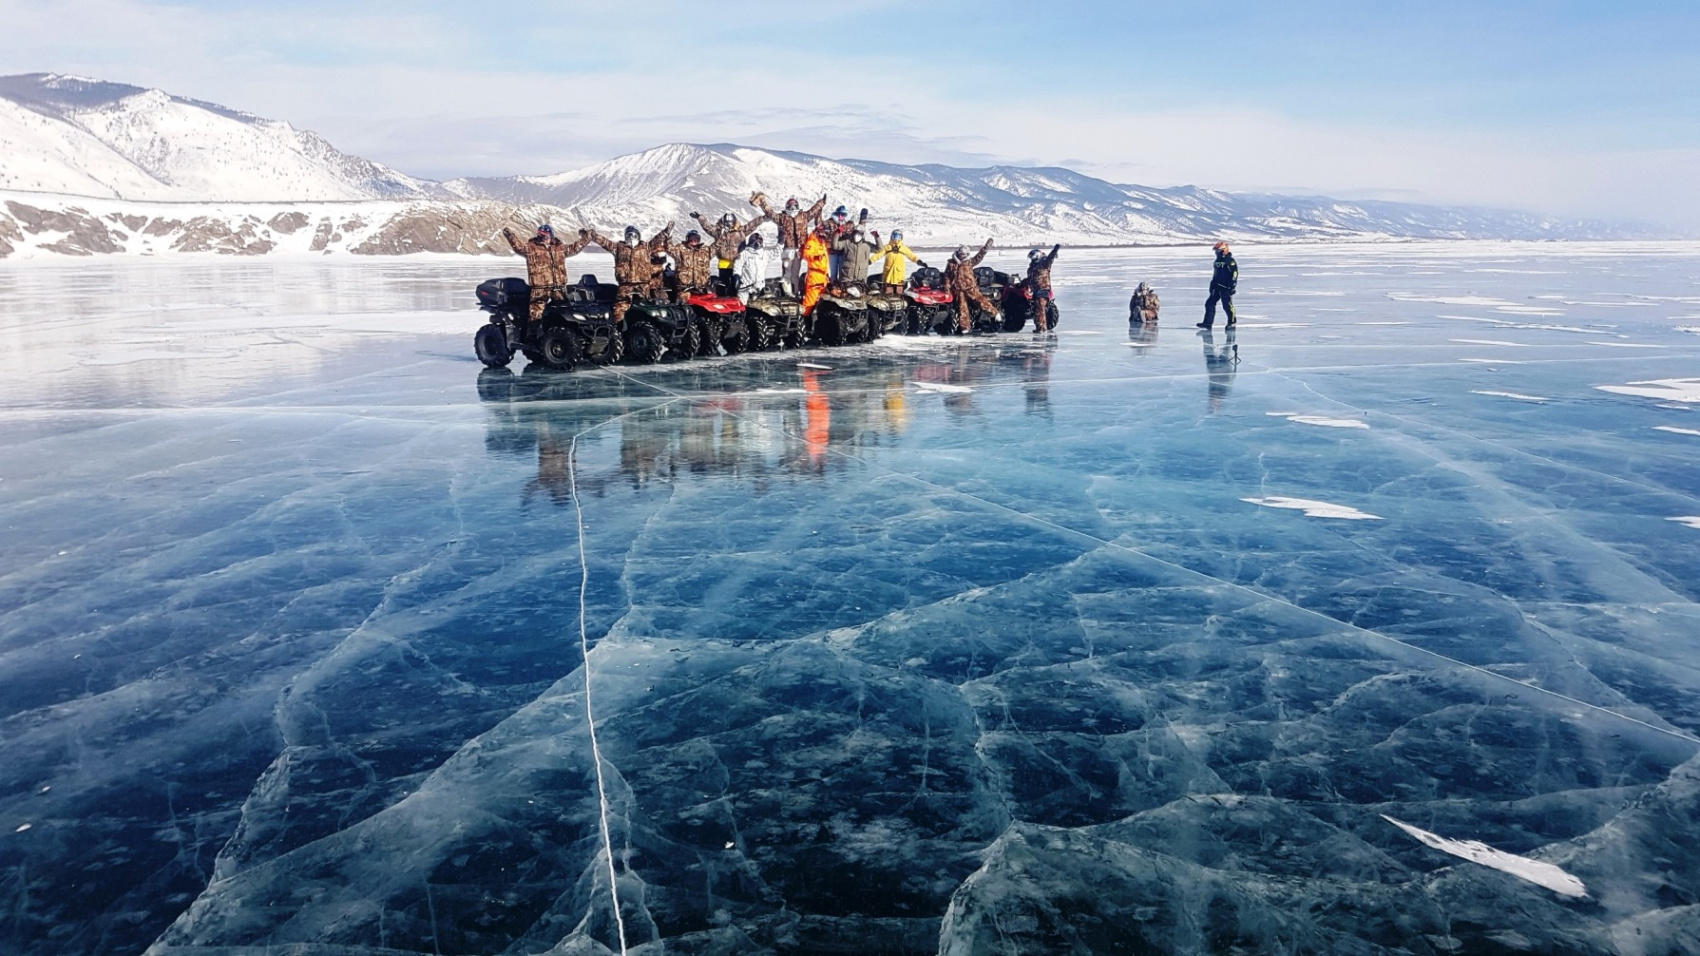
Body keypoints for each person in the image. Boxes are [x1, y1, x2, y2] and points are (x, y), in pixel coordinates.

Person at [584, 222, 673, 322]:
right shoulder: (618, 248)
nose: (631, 237)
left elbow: (657, 239)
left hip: (643, 286)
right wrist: (593, 235)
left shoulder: (645, 248)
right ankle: (618, 330)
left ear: (638, 236)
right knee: (619, 311)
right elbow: (605, 242)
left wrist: (666, 231)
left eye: (634, 235)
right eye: (629, 235)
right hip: (625, 286)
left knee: (646, 311)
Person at [501, 223, 589, 323]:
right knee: (535, 316)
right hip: (540, 290)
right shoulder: (532, 248)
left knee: (565, 313)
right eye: (540, 235)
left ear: (551, 236)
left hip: (558, 289)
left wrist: (586, 237)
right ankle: (532, 336)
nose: (543, 238)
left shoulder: (559, 249)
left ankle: (560, 333)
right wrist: (510, 236)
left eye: (545, 236)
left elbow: (575, 247)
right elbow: (519, 247)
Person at [750, 192, 825, 293]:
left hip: (799, 249)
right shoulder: (782, 217)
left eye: (794, 206)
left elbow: (813, 211)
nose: (793, 209)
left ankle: (795, 294)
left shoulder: (804, 216)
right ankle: (787, 294)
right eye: (790, 206)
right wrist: (762, 201)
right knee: (786, 274)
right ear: (787, 207)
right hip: (787, 249)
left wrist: (821, 202)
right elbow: (770, 213)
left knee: (795, 274)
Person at [690, 211, 765, 290]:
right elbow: (708, 227)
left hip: (738, 263)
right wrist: (700, 218)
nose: (729, 225)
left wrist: (763, 218)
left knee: (738, 284)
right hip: (724, 263)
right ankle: (723, 298)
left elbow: (752, 225)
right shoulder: (718, 232)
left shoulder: (741, 231)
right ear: (723, 222)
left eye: (730, 223)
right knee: (723, 284)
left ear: (734, 222)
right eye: (727, 223)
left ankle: (741, 297)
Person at [943, 238, 996, 333]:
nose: (962, 255)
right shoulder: (951, 263)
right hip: (959, 289)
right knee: (962, 308)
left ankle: (995, 314)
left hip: (971, 288)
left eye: (964, 254)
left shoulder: (970, 262)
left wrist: (986, 247)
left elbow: (980, 256)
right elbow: (947, 275)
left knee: (981, 301)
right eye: (960, 254)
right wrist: (947, 287)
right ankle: (965, 328)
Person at [660, 228, 715, 300]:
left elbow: (716, 247)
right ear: (687, 239)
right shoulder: (681, 249)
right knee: (685, 299)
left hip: (701, 287)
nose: (694, 241)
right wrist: (668, 238)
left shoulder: (705, 251)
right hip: (684, 287)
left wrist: (722, 236)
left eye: (696, 238)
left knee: (711, 300)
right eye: (691, 238)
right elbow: (669, 248)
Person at [1198, 241, 1238, 329]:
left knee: (1227, 305)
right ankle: (1207, 323)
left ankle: (1232, 322)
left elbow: (1234, 273)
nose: (1216, 253)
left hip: (1226, 287)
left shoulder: (1230, 261)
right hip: (1216, 286)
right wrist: (1212, 285)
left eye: (1218, 251)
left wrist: (1232, 285)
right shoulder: (1217, 261)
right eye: (1216, 251)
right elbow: (1216, 274)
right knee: (1209, 304)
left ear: (1224, 250)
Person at [871, 229, 922, 294]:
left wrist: (918, 261)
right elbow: (878, 255)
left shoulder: (903, 248)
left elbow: (911, 255)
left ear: (901, 238)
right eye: (894, 236)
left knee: (899, 290)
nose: (896, 239)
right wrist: (871, 260)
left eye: (898, 237)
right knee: (888, 290)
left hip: (899, 274)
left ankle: (899, 301)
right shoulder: (887, 247)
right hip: (888, 273)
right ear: (891, 237)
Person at [799, 223, 831, 317]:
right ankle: (804, 321)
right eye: (824, 233)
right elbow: (805, 254)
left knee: (822, 302)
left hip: (823, 275)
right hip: (814, 275)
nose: (825, 236)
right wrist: (815, 257)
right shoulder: (812, 242)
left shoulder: (822, 244)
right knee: (810, 301)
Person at [1026, 244, 1060, 332]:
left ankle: (1041, 328)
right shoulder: (1031, 268)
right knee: (1036, 308)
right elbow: (1030, 279)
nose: (1032, 260)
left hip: (1043, 289)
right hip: (1035, 290)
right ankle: (1040, 326)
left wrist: (1054, 251)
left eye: (1033, 258)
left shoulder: (1044, 264)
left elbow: (1050, 259)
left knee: (1040, 308)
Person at [733, 232, 773, 304]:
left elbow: (775, 252)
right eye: (755, 241)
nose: (757, 243)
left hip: (759, 286)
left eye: (759, 241)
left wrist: (780, 243)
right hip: (745, 286)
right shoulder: (745, 253)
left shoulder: (764, 254)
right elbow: (738, 265)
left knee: (760, 306)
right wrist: (737, 275)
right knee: (741, 304)